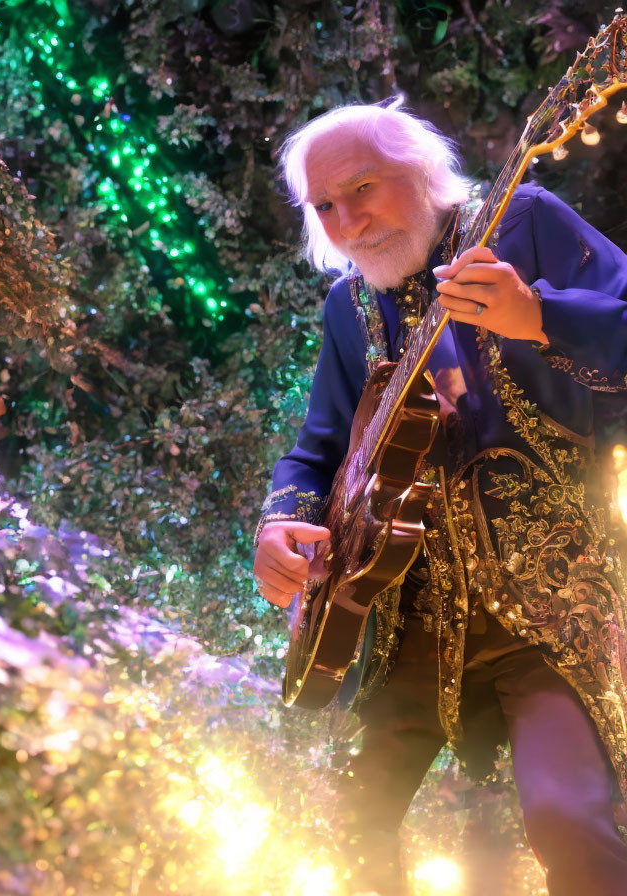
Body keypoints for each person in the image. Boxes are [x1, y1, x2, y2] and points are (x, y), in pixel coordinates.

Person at [252, 98, 627, 896]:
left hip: (548, 612)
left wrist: (538, 315)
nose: (347, 221)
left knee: (570, 819)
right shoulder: (348, 307)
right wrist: (283, 519)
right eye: (325, 206)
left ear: (422, 175)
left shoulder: (519, 221)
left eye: (363, 188)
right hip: (407, 623)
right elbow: (318, 446)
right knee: (345, 826)